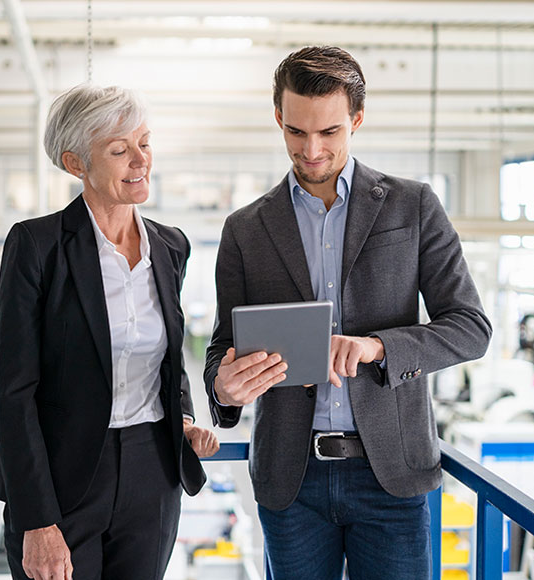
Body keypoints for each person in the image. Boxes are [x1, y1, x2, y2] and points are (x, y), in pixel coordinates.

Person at [204, 46, 492, 579]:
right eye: (296, 132)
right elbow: (222, 346)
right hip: (292, 480)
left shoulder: (413, 206)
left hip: (391, 475)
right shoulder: (245, 229)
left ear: (356, 120)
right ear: (278, 119)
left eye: (329, 132)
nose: (311, 149)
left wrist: (379, 348)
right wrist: (224, 389)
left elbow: (471, 328)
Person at [0, 84, 219, 580]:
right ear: (77, 165)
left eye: (145, 142)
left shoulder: (171, 246)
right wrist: (37, 520)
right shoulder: (37, 246)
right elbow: (14, 393)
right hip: (60, 480)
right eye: (119, 150)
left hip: (151, 475)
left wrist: (181, 415)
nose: (140, 160)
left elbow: (168, 360)